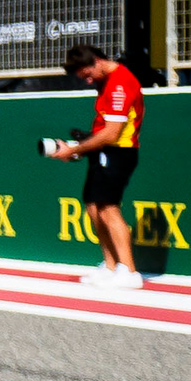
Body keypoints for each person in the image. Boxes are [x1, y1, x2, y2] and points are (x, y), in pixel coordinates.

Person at [47, 41, 146, 294]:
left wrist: (75, 150)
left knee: (108, 209)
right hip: (104, 152)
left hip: (119, 152)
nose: (88, 81)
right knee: (93, 207)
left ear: (96, 62)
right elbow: (103, 130)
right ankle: (111, 266)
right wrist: (76, 148)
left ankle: (129, 271)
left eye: (88, 75)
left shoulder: (120, 82)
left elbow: (112, 133)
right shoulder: (105, 81)